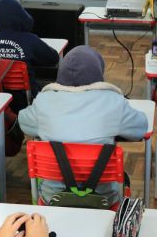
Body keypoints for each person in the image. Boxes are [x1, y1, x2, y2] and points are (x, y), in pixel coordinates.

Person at [19, 45, 148, 206]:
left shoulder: (44, 101)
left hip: (52, 197)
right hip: (105, 198)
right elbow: (140, 129)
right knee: (124, 177)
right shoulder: (113, 102)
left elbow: (24, 122)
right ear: (98, 72)